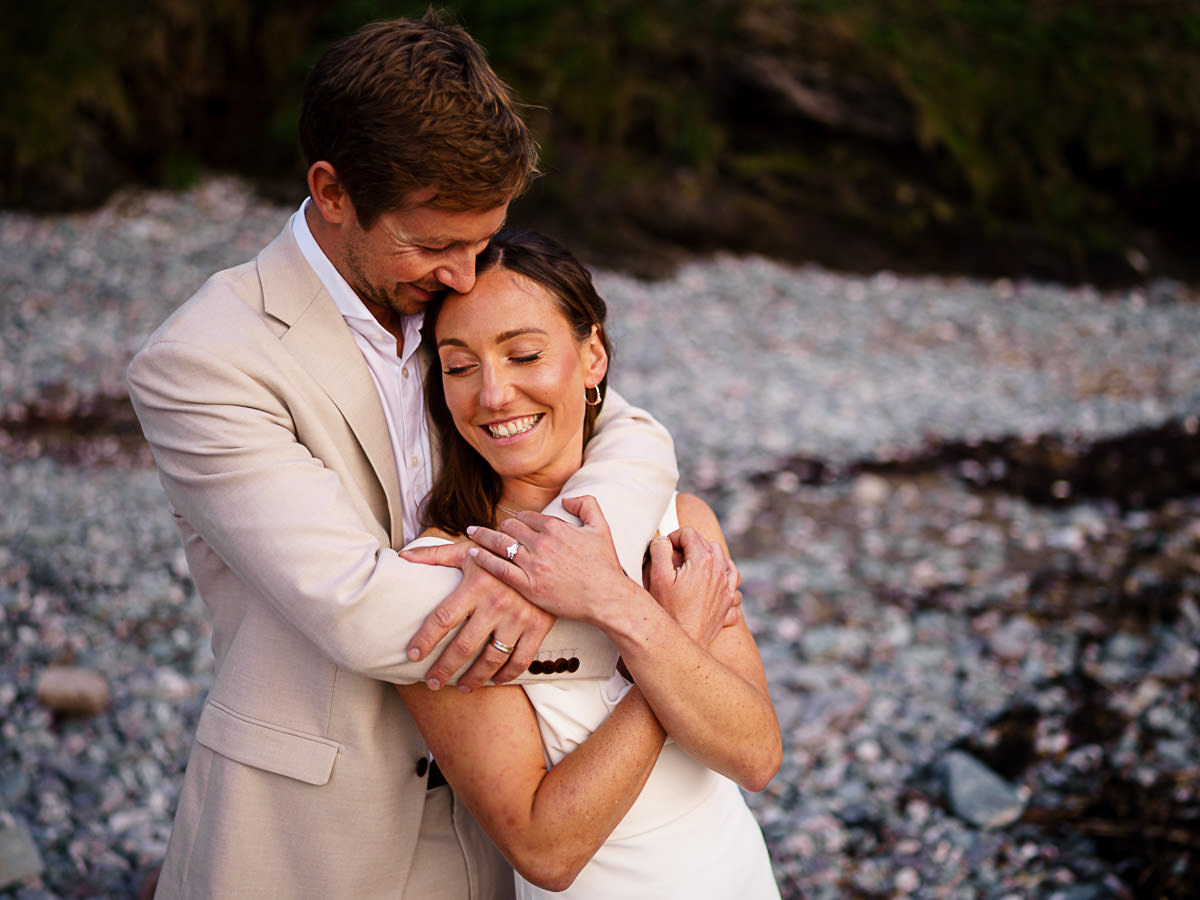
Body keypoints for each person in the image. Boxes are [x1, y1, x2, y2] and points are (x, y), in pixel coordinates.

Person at [126, 13, 693, 899]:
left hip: (502, 821)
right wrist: (622, 611)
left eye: (482, 240)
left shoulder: (458, 302)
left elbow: (625, 428)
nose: (468, 277)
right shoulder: (202, 360)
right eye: (437, 246)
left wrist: (583, 556)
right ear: (333, 191)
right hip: (310, 839)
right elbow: (360, 606)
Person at [395, 229, 782, 898]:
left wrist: (614, 603)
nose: (493, 394)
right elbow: (545, 847)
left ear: (592, 354)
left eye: (523, 354)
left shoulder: (680, 523)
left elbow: (754, 755)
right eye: (459, 367)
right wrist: (673, 636)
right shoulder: (442, 578)